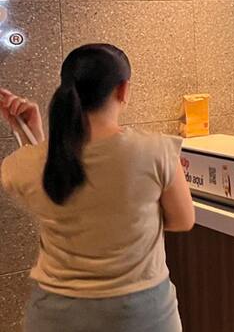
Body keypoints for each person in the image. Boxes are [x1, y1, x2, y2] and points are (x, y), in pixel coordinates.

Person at [0, 44, 195, 332]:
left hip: (54, 316)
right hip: (141, 314)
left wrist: (29, 134)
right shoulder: (156, 151)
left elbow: (50, 182)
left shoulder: (20, 166)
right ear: (123, 89)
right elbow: (182, 220)